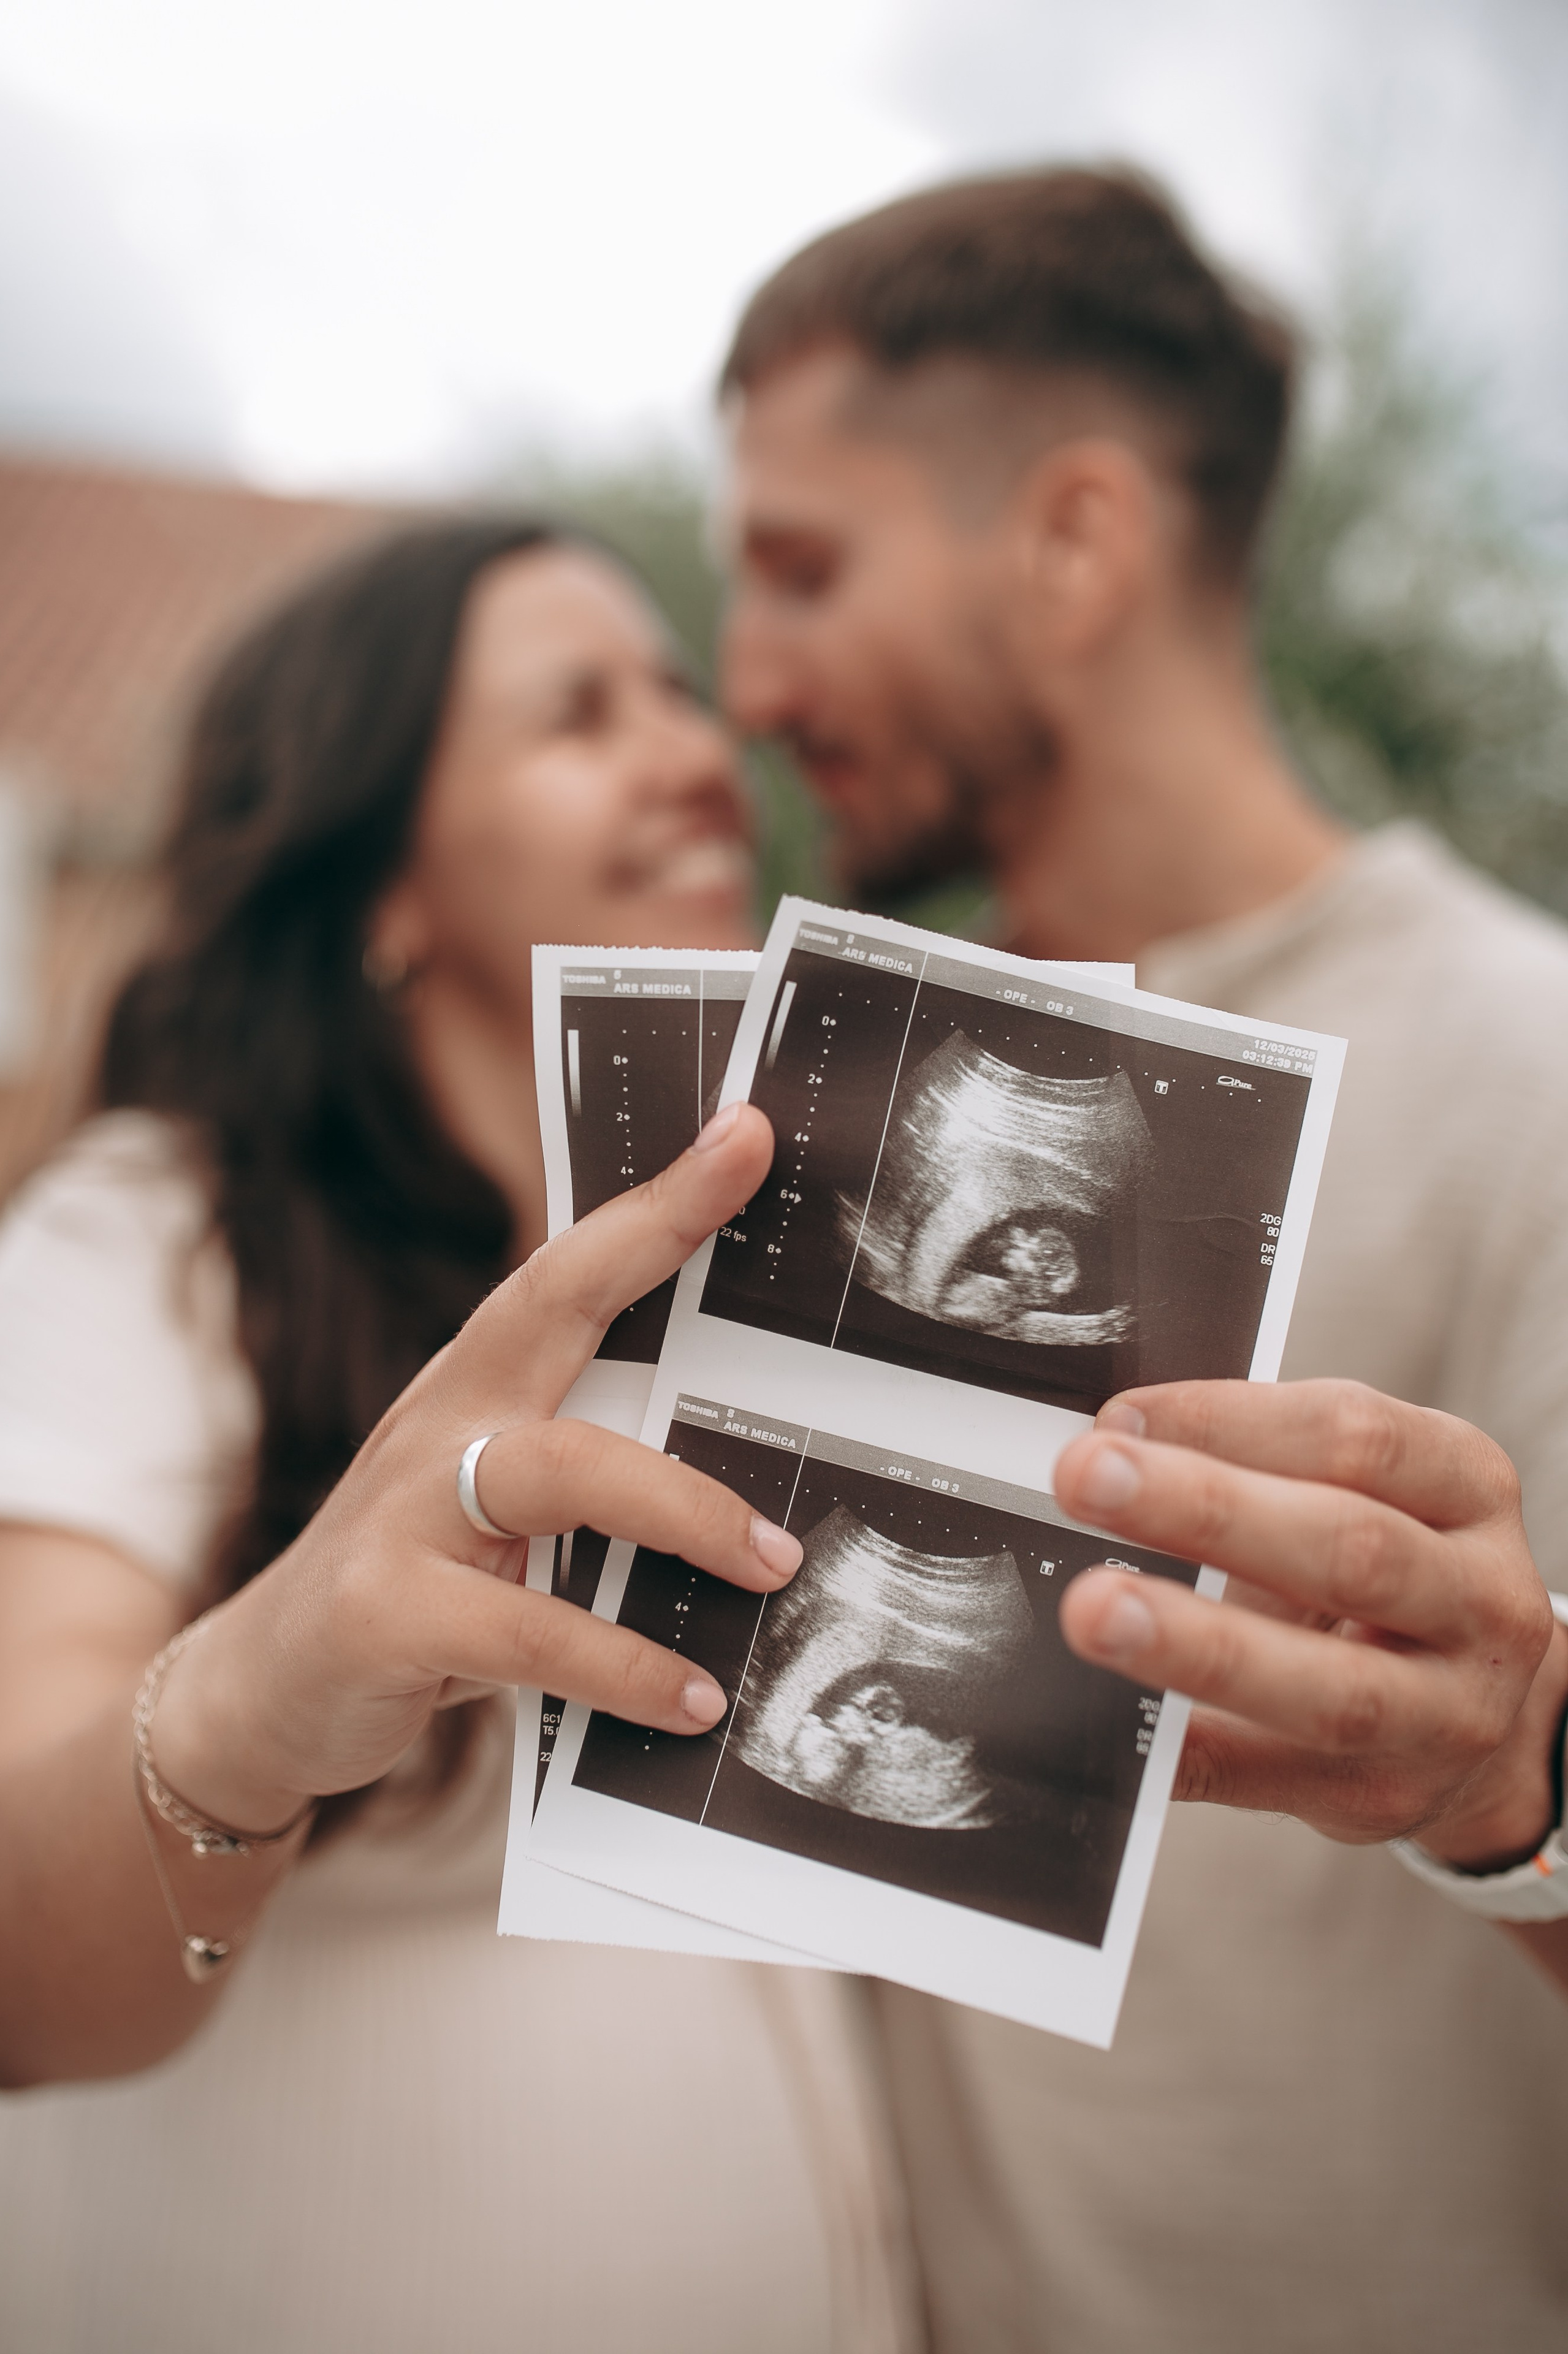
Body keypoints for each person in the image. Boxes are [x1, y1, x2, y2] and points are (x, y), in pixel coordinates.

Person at [715, 169, 1568, 2350]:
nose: (748, 678)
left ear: (1076, 539)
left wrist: (1511, 1785)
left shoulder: (1533, 1067)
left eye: (805, 568)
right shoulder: (815, 1096)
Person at [0, 520, 921, 2354]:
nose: (692, 750)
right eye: (579, 715)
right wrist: (268, 1688)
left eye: (674, 690)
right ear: (380, 888)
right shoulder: (151, 1245)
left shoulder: (778, 1290)